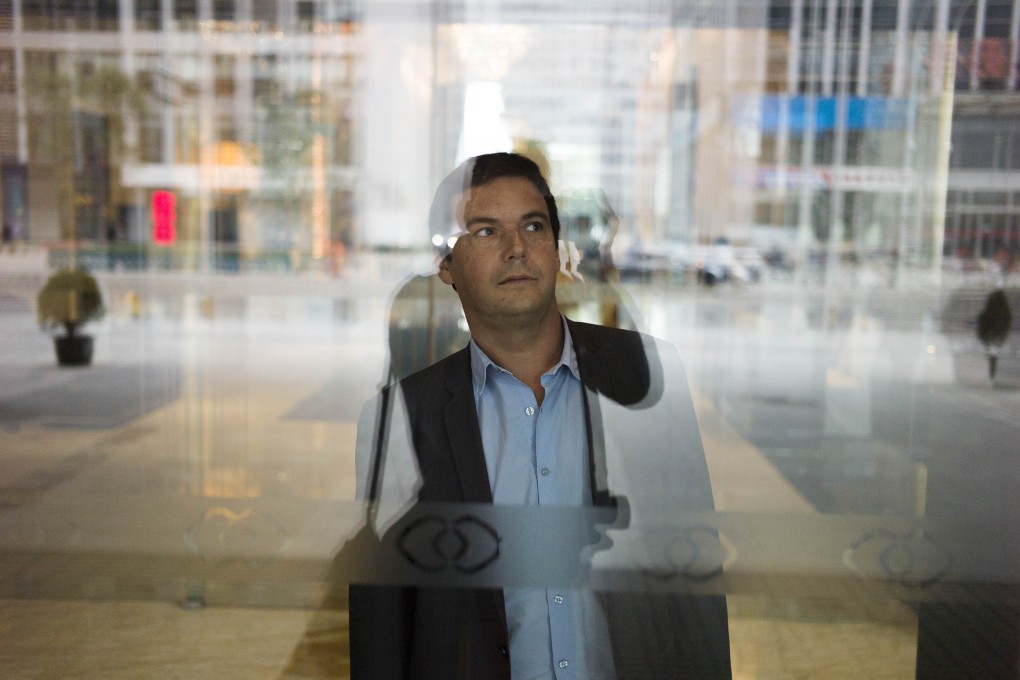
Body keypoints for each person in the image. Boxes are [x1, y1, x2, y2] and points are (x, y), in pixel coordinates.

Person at [347, 152, 730, 679]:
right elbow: (383, 631)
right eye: (485, 231)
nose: (516, 249)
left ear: (556, 247)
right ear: (446, 265)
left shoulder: (644, 374)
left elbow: (694, 574)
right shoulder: (401, 417)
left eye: (533, 226)